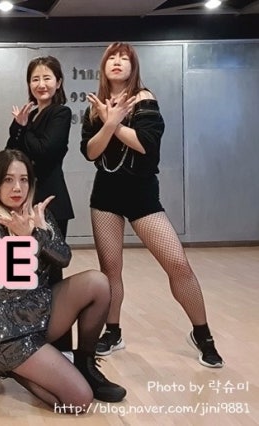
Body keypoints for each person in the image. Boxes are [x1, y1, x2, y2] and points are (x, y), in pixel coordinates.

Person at [80, 42, 223, 368]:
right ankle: (113, 331)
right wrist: (107, 122)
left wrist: (115, 122)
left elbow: (146, 144)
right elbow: (90, 152)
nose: (117, 62)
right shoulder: (94, 107)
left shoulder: (144, 99)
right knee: (110, 270)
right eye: (112, 57)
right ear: (103, 66)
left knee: (178, 264)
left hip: (142, 195)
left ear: (134, 66)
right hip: (105, 195)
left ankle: (203, 335)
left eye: (124, 58)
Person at [0, 149, 126, 408]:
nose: (17, 187)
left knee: (98, 283)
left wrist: (36, 234)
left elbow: (64, 257)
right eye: (8, 180)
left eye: (23, 179)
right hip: (9, 330)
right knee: (78, 401)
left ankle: (85, 365)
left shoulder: (39, 213)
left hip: (41, 310)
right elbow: (8, 278)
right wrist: (26, 239)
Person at [6, 55, 75, 352]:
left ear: (58, 82)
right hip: (24, 202)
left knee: (51, 274)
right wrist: (20, 126)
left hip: (50, 203)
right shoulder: (28, 116)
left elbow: (45, 153)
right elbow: (11, 154)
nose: (41, 84)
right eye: (35, 79)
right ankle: (29, 340)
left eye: (47, 78)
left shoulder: (61, 113)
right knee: (26, 272)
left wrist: (24, 128)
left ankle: (60, 346)